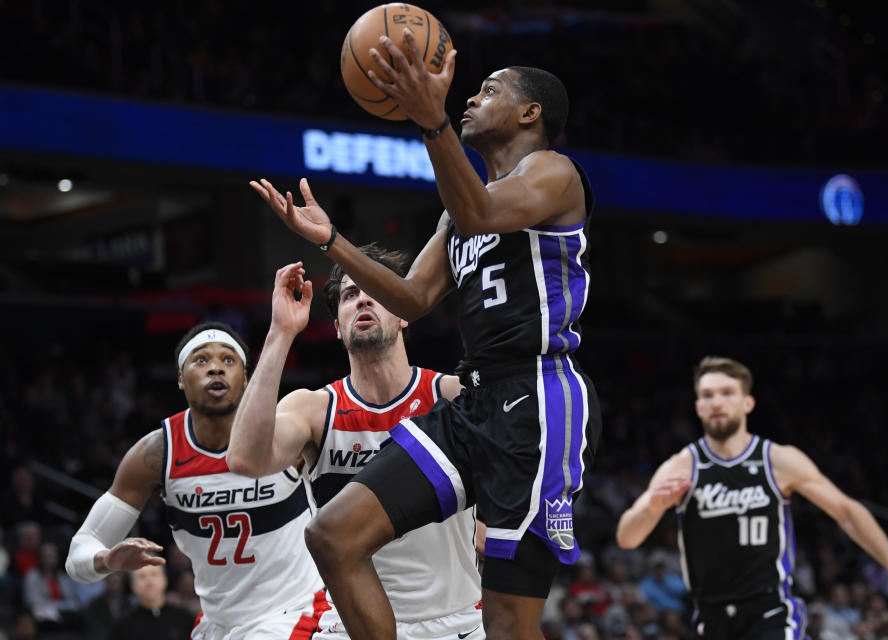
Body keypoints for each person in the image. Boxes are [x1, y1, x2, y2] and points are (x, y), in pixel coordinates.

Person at [249, 28, 600, 640]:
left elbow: (482, 215)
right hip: (477, 399)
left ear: (529, 112)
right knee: (332, 535)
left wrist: (431, 122)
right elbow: (410, 297)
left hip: (539, 401)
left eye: (488, 91)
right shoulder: (459, 210)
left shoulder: (555, 173)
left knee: (508, 627)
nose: (470, 99)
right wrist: (332, 242)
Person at [227, 251, 483, 639]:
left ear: (403, 313)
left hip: (458, 620)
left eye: (375, 292)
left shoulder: (450, 395)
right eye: (349, 295)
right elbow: (244, 457)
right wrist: (280, 333)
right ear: (337, 327)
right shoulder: (314, 409)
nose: (362, 299)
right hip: (347, 627)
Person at [615, 356, 888, 639]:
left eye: (727, 393)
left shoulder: (778, 460)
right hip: (711, 617)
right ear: (698, 406)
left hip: (769, 611)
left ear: (748, 402)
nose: (717, 402)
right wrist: (654, 507)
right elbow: (627, 537)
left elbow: (845, 510)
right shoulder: (682, 466)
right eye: (708, 395)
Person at [65, 322, 326, 640]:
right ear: (179, 377)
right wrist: (106, 560)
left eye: (228, 360)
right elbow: (79, 552)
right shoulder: (156, 454)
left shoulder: (285, 433)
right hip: (218, 623)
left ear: (245, 378)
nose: (215, 368)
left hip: (294, 610)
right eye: (201, 360)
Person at [107, 565, 195, 640]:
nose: (149, 582)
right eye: (142, 576)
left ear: (165, 580)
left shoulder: (185, 619)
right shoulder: (122, 627)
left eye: (154, 574)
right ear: (133, 586)